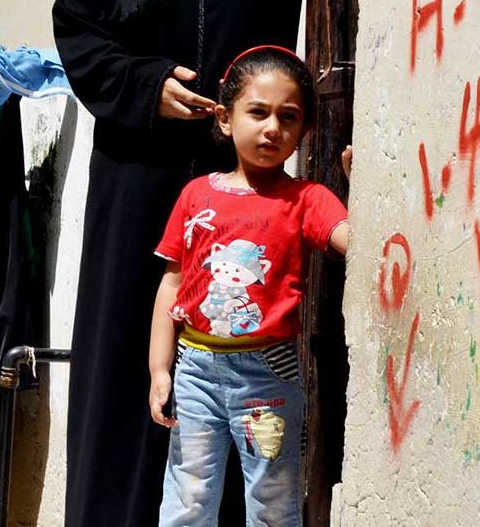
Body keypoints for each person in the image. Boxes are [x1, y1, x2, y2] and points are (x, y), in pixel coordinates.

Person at [53, 0, 309, 527]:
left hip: (243, 192)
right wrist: (143, 85)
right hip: (141, 178)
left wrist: (258, 118)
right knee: (134, 351)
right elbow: (78, 27)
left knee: (240, 350)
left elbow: (289, 50)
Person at [148, 46, 349, 526]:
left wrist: (358, 184)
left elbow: (353, 242)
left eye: (289, 116)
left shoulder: (307, 199)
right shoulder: (197, 195)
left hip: (269, 378)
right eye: (257, 112)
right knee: (187, 497)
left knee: (273, 502)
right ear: (224, 117)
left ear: (305, 131)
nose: (272, 128)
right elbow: (171, 284)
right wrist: (160, 369)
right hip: (194, 370)